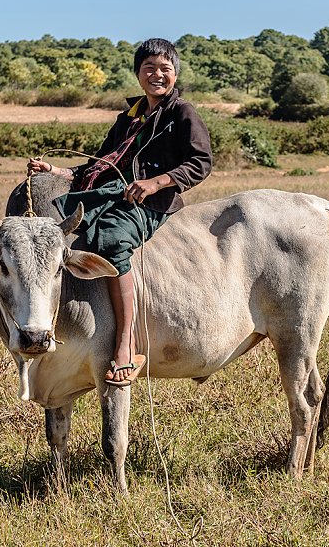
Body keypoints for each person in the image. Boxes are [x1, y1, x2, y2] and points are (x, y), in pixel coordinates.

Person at [27, 38, 212, 387]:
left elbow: (201, 163)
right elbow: (96, 166)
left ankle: (125, 342)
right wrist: (54, 171)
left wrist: (157, 183)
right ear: (138, 75)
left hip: (153, 202)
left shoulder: (182, 113)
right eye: (149, 69)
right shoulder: (129, 117)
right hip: (117, 193)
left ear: (175, 73)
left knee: (111, 241)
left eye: (165, 69)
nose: (158, 75)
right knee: (61, 222)